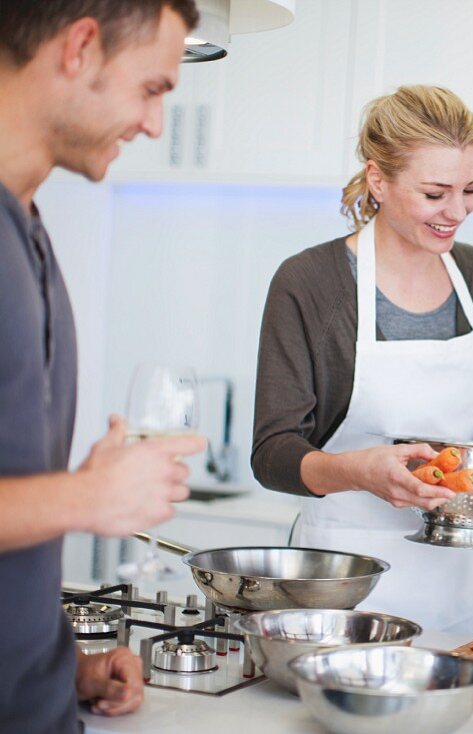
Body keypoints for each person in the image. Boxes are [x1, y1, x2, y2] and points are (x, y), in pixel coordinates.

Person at [252, 85, 473, 635]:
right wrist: (361, 472)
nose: (457, 211)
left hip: (456, 585)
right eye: (435, 193)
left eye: (470, 189)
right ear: (379, 180)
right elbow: (272, 453)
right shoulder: (310, 282)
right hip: (341, 585)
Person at [0, 1, 205, 732]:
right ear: (80, 47)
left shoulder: (27, 228)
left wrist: (65, 667)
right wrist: (84, 498)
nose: (155, 124)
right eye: (152, 88)